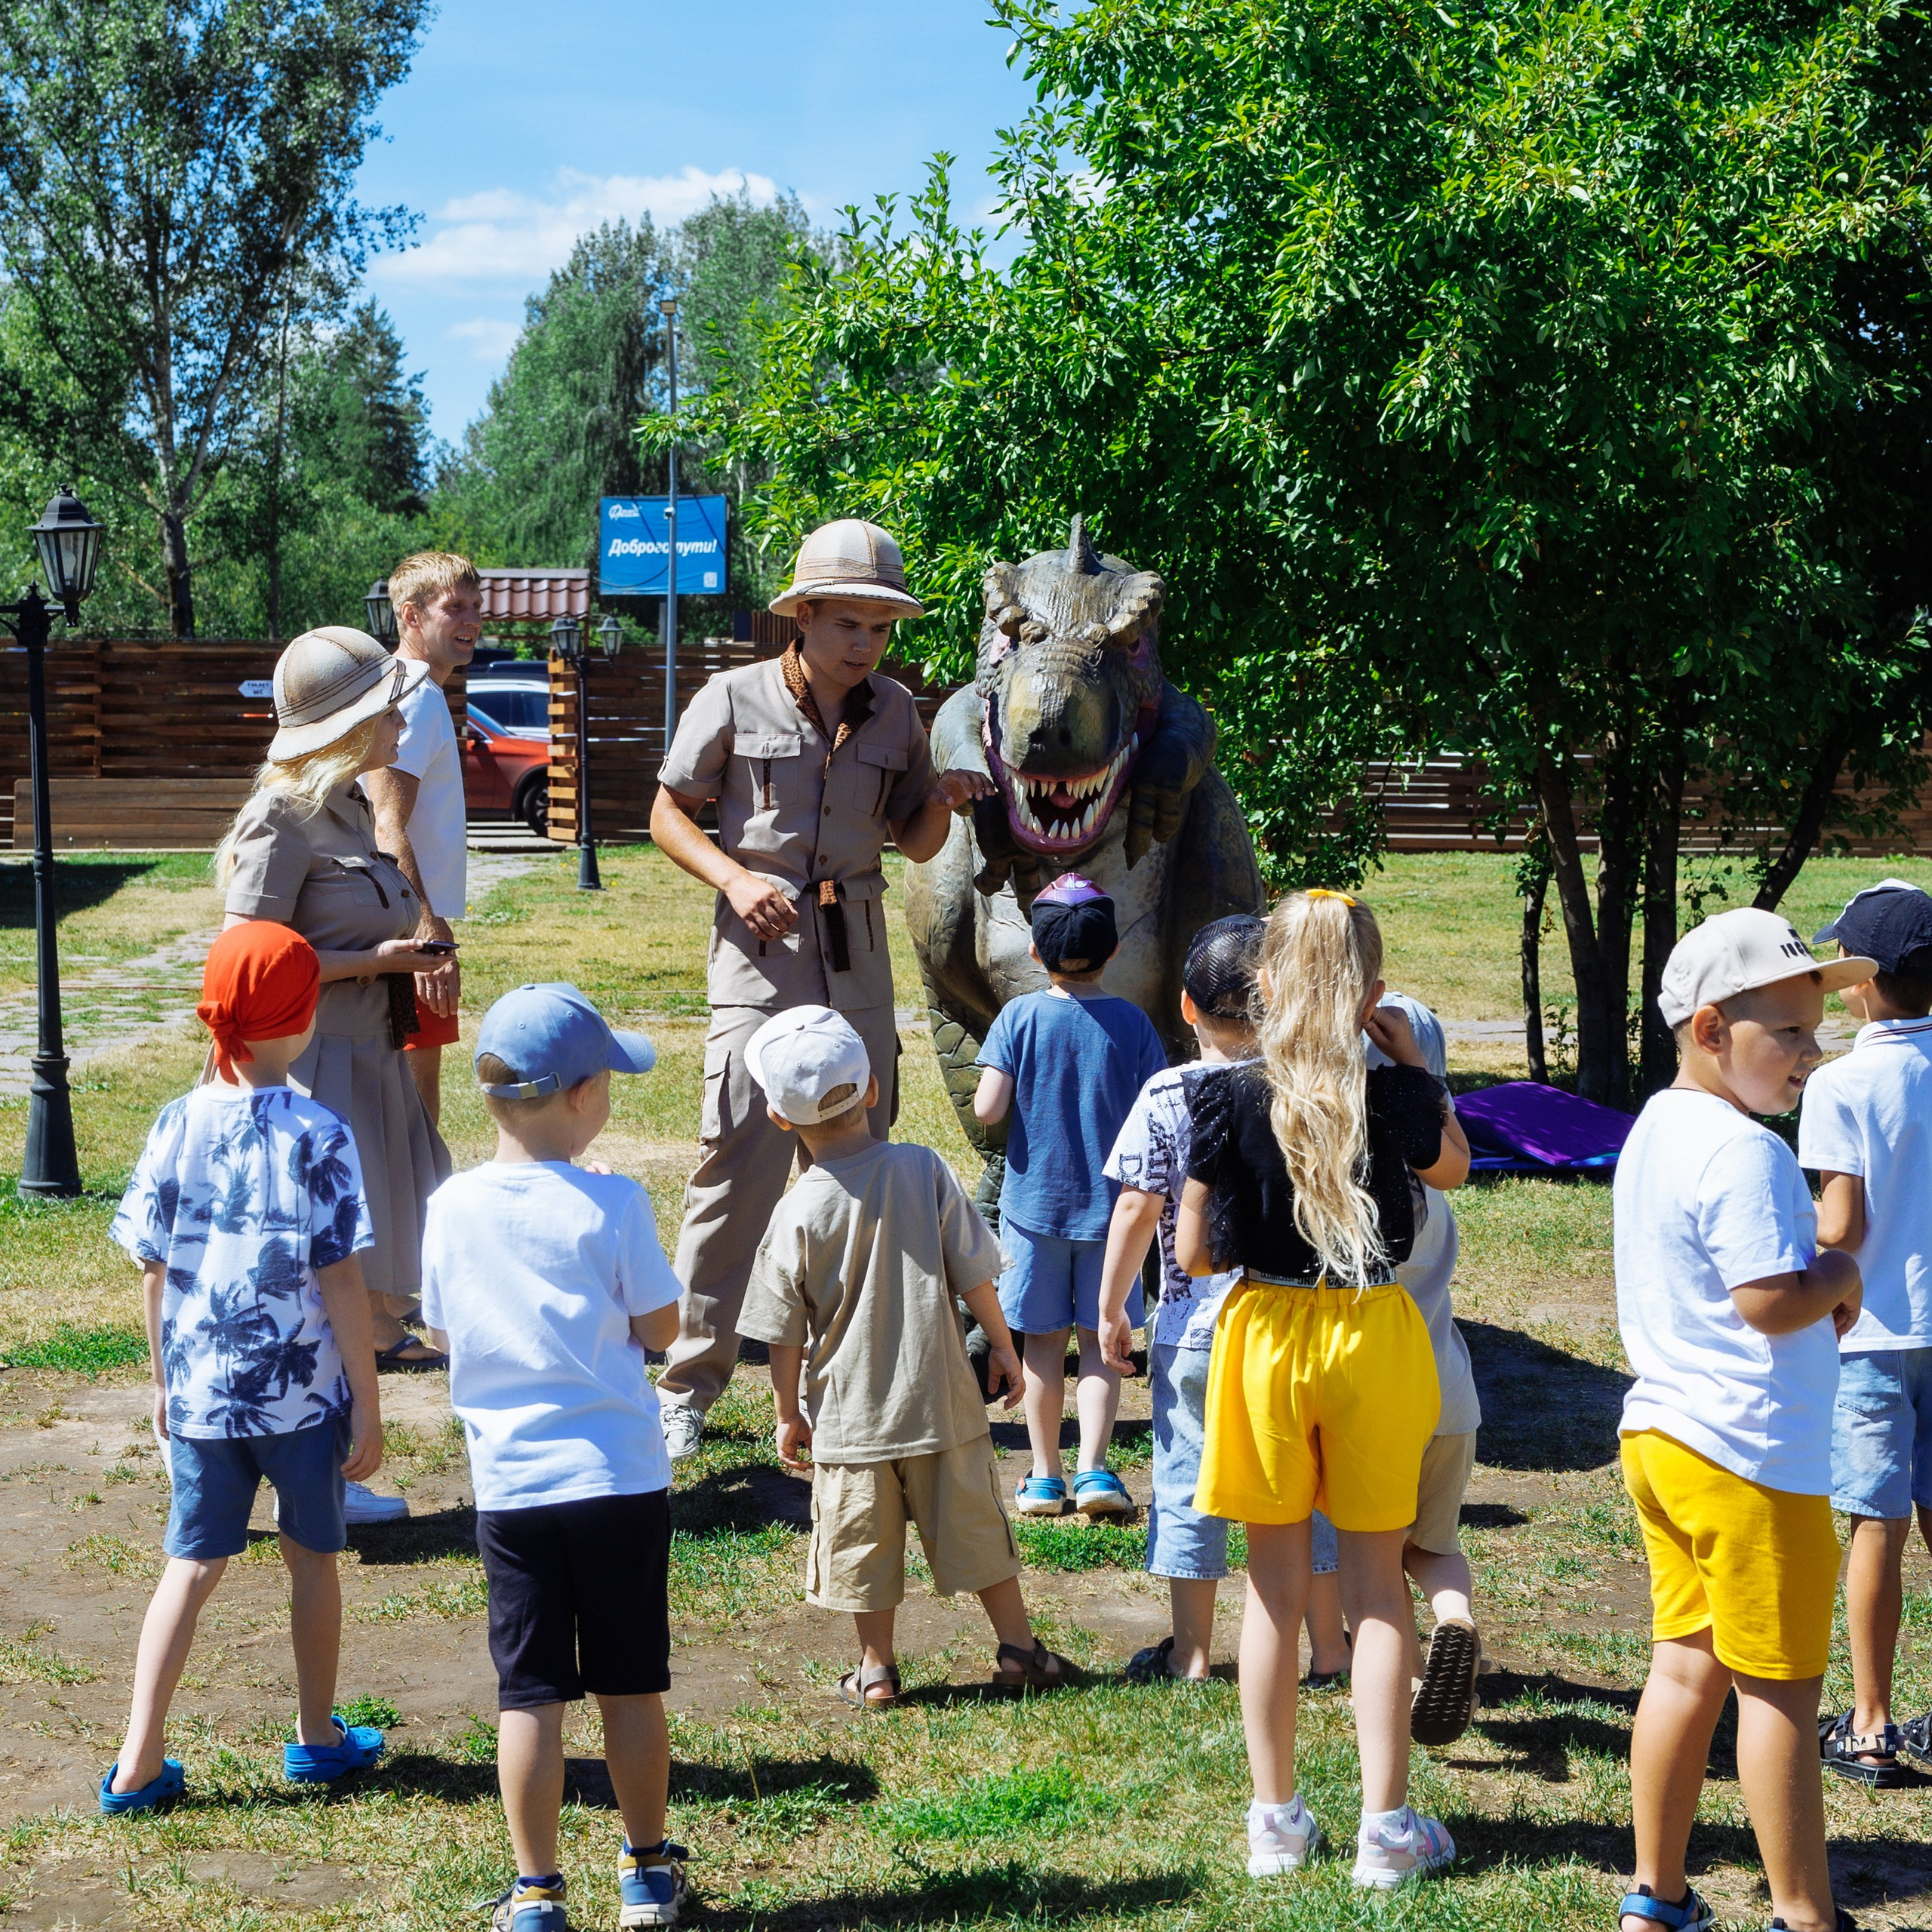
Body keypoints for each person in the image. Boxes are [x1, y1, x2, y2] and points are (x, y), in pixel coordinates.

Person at [649, 520, 995, 1461]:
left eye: (880, 627)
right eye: (847, 622)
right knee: (736, 1166)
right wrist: (732, 878)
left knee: (857, 1167)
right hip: (758, 958)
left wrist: (945, 799)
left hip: (857, 957)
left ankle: (848, 1382)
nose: (866, 643)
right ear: (799, 617)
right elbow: (666, 813)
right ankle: (689, 1383)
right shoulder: (729, 696)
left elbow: (915, 841)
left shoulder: (896, 713)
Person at [1175, 889, 1471, 1890]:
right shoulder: (1393, 1093)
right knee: (1379, 1588)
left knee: (1271, 1589)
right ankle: (1385, 1832)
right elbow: (1458, 1169)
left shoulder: (1219, 1094)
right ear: (1371, 993)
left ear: (1262, 987)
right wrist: (1421, 1074)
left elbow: (1195, 1255)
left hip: (1264, 1336)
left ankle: (1276, 1823)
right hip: (1374, 1334)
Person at [1614, 907, 1870, 1932]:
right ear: (1713, 1030)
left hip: (1666, 1440)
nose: (1812, 1057)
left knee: (1684, 1670)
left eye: (1816, 1033)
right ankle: (1806, 1915)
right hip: (1753, 1458)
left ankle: (1658, 1894)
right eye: (1793, 1035)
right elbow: (1769, 1301)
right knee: (1781, 1696)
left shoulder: (1658, 1128)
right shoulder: (1745, 1151)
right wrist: (1839, 1273)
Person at [100, 922, 388, 1814]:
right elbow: (342, 1279)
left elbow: (153, 1270)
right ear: (300, 1019)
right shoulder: (318, 1132)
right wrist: (369, 1402)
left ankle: (138, 1760)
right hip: (301, 1400)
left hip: (199, 1397)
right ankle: (316, 1738)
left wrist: (161, 1378)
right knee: (312, 1560)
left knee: (188, 1564)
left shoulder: (173, 1122)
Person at [419, 983, 686, 1932]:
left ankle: (536, 1892)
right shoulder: (614, 1202)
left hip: (514, 1489)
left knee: (528, 1692)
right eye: (608, 1083)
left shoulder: (449, 1207)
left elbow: (445, 1332)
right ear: (579, 1096)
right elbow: (662, 1325)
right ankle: (647, 1870)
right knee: (629, 1680)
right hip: (617, 1478)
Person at [736, 1005, 1075, 1703]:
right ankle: (1018, 1651)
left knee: (861, 1547)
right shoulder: (922, 1169)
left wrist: (786, 1412)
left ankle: (878, 1670)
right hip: (942, 1401)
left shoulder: (794, 1210)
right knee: (978, 1529)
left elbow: (783, 1330)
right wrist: (1005, 1348)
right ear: (871, 1091)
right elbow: (974, 1274)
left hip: (850, 1422)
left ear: (778, 1118)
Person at [214, 627, 454, 1508]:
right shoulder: (279, 816)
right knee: (312, 1281)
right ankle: (299, 1470)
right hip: (312, 1070)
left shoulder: (350, 804)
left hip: (371, 1061)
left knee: (340, 1278)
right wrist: (379, 961)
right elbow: (246, 961)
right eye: (385, 704)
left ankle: (312, 1461)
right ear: (346, 724)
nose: (400, 716)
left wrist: (402, 960)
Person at [1097, 915, 1357, 1681]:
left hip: (1193, 1327)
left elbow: (1136, 1208)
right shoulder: (1309, 1089)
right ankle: (1331, 1647)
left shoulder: (1166, 1092)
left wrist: (1114, 1308)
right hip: (1294, 1323)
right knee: (1307, 1483)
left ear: (1185, 1007)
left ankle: (1193, 1649)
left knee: (1188, 1477)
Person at [974, 875, 1168, 1518]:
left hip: (1034, 1215)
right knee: (1103, 1342)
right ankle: (1094, 1473)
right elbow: (1156, 1114)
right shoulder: (1135, 1024)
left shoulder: (1018, 1017)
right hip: (1115, 1220)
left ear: (1035, 951)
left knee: (1043, 1346)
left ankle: (1043, 1475)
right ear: (1114, 951)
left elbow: (987, 1108)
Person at [1798, 881, 1932, 1787]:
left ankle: (1872, 1722)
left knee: (1875, 1524)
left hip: (1874, 1332)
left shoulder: (1841, 1081)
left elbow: (1838, 1226)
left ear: (1864, 980)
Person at [1367, 991, 1484, 1749]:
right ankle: (1456, 1618)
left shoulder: (1370, 1196)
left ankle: (1404, 1676)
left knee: (1376, 1553)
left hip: (1382, 1396)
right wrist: (1423, 1073)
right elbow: (1456, 1152)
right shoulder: (1439, 1190)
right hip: (1454, 1396)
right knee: (1432, 1548)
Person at [364, 551, 482, 1128]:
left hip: (384, 913)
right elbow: (388, 822)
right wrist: (427, 934)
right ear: (410, 616)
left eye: (477, 608)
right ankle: (411, 1215)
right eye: (454, 608)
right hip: (400, 922)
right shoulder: (417, 695)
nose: (472, 620)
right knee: (413, 1108)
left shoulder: (401, 687)